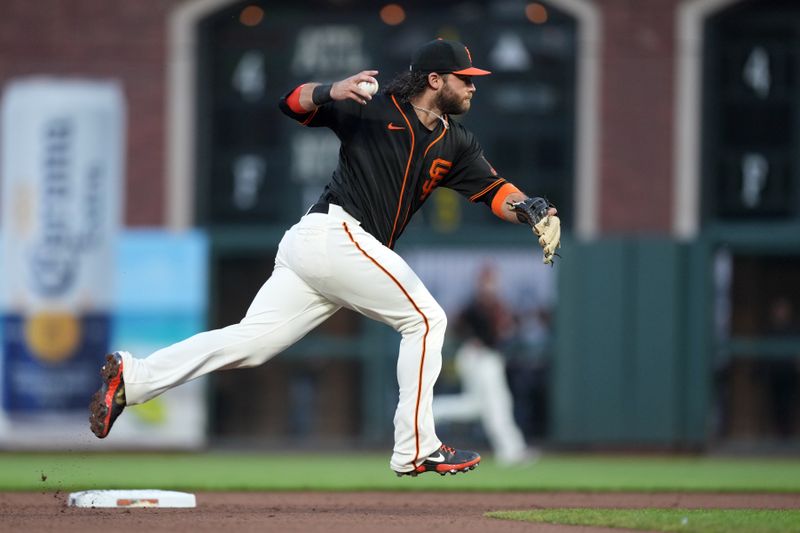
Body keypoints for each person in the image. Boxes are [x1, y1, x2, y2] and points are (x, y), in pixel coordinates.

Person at [89, 39, 559, 477]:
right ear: (436, 80)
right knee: (426, 319)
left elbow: (496, 191)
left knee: (250, 346)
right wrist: (331, 90)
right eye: (465, 78)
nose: (473, 85)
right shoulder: (374, 106)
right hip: (335, 232)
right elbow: (290, 103)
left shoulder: (457, 142)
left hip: (327, 249)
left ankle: (135, 376)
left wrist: (530, 207)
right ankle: (414, 447)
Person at [433, 264, 536, 466]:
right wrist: (471, 339)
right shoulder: (476, 305)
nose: (491, 285)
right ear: (480, 283)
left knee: (475, 405)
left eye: (492, 280)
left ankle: (433, 410)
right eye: (487, 280)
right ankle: (511, 452)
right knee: (499, 404)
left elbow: (506, 328)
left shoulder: (496, 305)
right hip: (480, 358)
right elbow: (453, 324)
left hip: (486, 357)